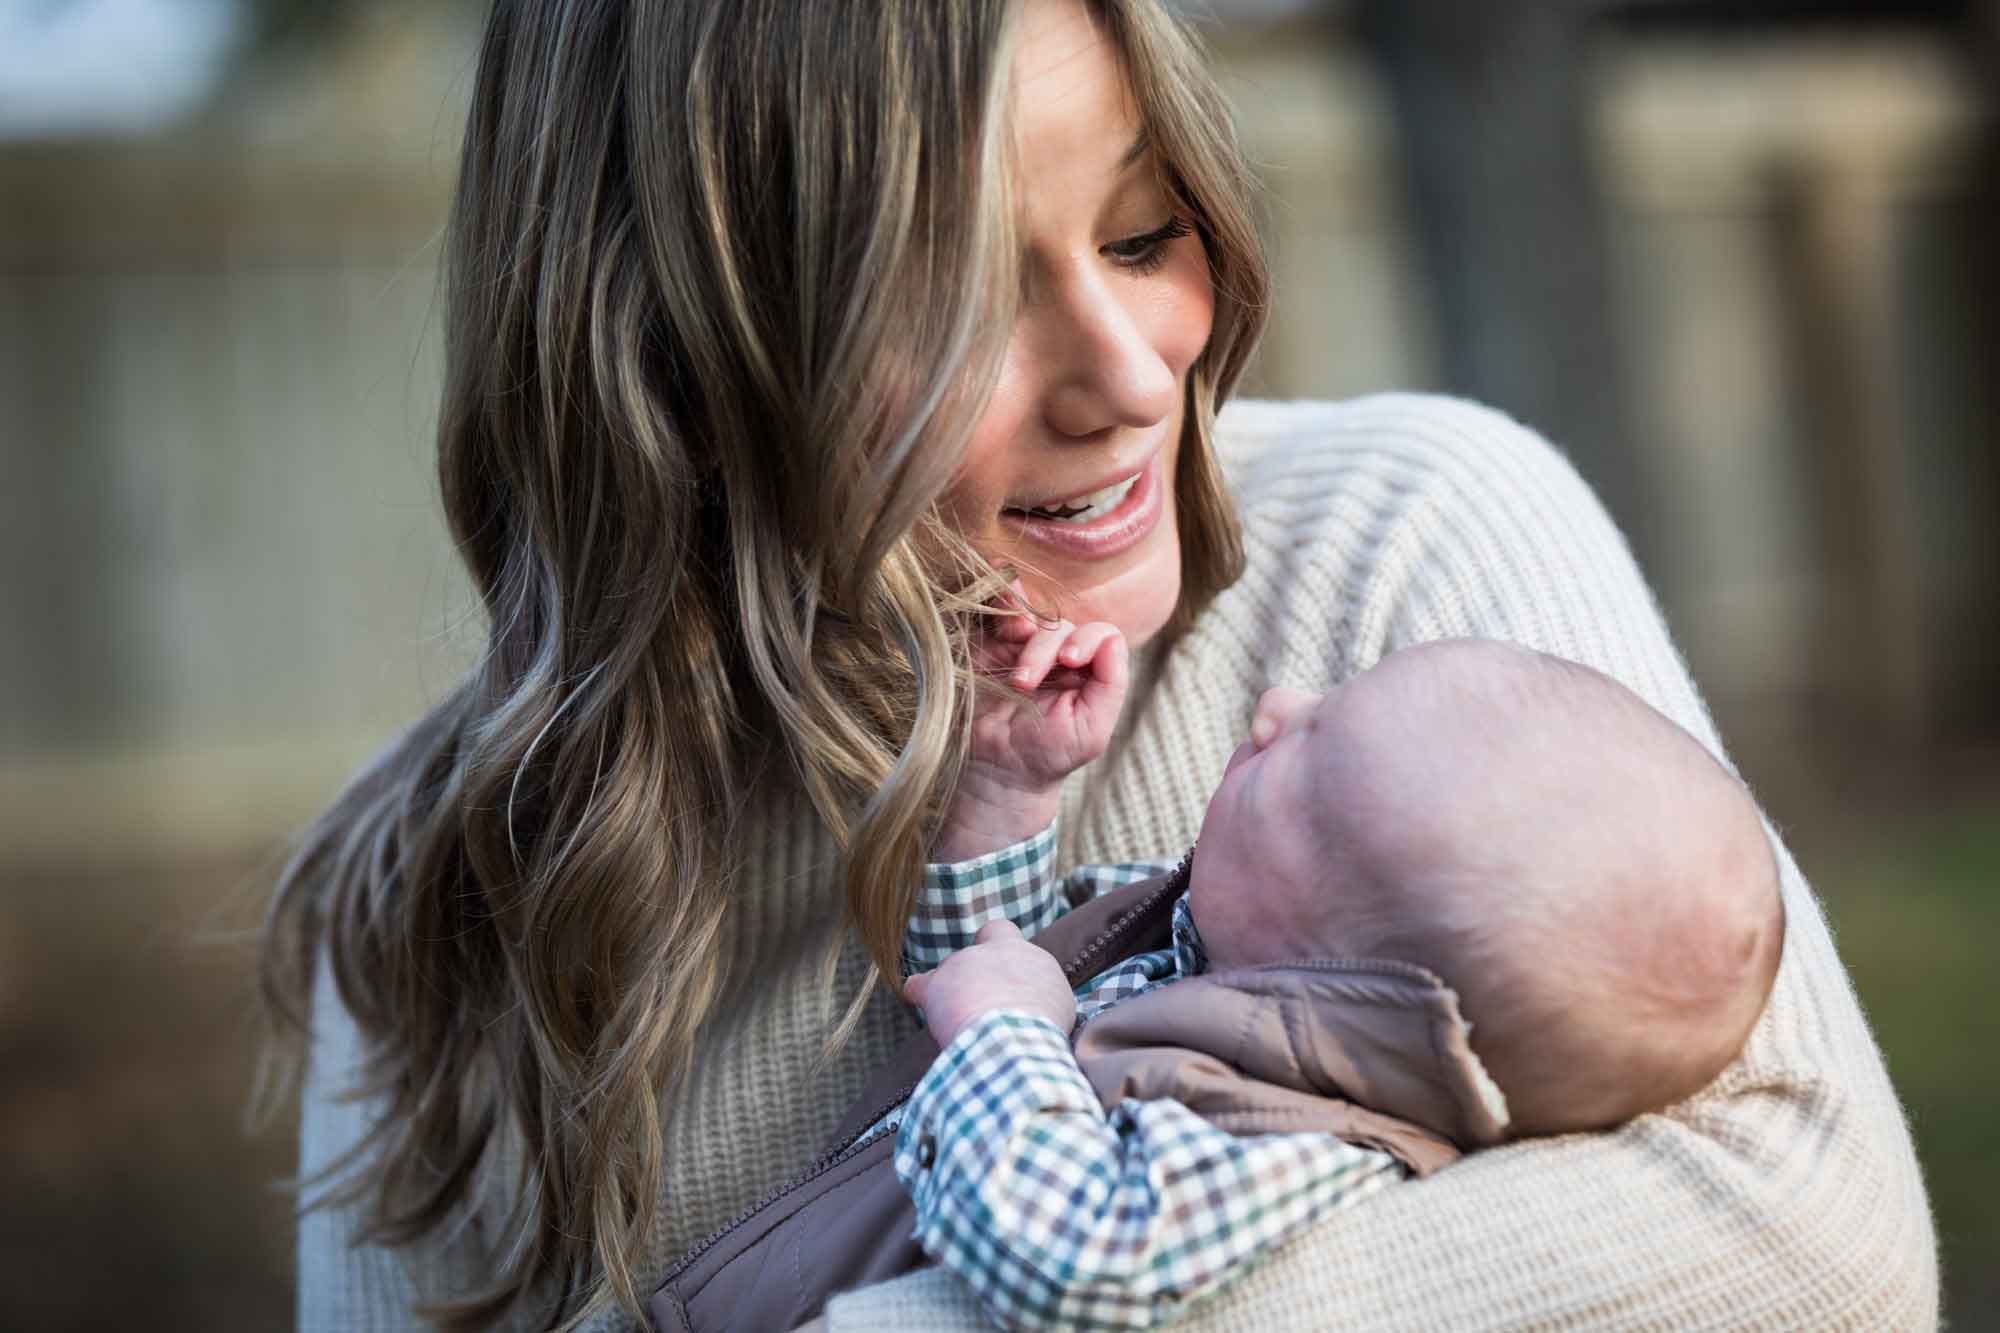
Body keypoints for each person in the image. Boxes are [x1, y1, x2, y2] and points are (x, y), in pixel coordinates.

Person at [261, 0, 1936, 1329]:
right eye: (968, 297)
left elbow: (1808, 1240)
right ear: (675, 356)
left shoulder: (1406, 543)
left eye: (1144, 235)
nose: (1132, 373)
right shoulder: (438, 886)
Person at [892, 631, 1784, 1329]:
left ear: (1338, 979)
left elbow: (1071, 1259)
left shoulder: (1291, 1148)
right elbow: (981, 983)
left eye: (1301, 761)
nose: (1277, 705)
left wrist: (1002, 1031)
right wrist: (1002, 805)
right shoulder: (1205, 936)